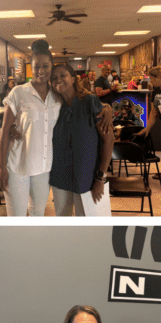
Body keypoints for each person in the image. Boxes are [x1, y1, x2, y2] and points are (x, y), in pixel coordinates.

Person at [0, 41, 111, 218]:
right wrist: (0, 166)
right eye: (36, 66)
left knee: (46, 215)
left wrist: (106, 108)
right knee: (24, 217)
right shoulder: (26, 94)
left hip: (59, 170)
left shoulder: (63, 96)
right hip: (32, 168)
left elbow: (85, 105)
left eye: (45, 66)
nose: (41, 71)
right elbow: (6, 129)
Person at [49, 63, 115, 217]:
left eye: (62, 75)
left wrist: (100, 177)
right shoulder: (54, 106)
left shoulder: (90, 102)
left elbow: (109, 140)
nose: (58, 80)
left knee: (86, 218)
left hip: (86, 174)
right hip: (60, 173)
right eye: (54, 78)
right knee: (62, 216)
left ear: (73, 79)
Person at [134, 67, 161, 181]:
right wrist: (147, 128)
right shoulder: (156, 91)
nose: (150, 81)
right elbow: (154, 112)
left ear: (158, 77)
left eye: (151, 78)